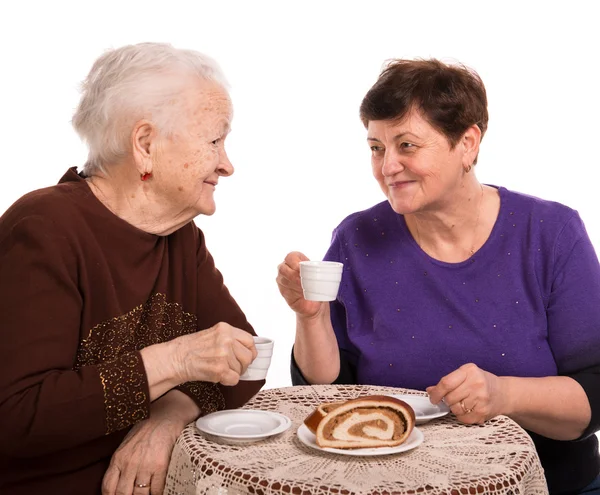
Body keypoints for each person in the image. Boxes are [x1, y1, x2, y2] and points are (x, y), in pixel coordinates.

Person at [276, 59, 600, 494]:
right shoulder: (357, 237)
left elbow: (594, 393)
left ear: (467, 144)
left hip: (544, 484)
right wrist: (311, 318)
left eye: (407, 145)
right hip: (388, 486)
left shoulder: (551, 233)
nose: (387, 166)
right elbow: (328, 395)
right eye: (376, 147)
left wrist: (504, 396)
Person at [0, 42, 264, 495]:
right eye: (214, 140)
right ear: (145, 145)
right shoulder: (45, 228)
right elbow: (17, 417)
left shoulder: (180, 235)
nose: (227, 164)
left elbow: (245, 363)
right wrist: (177, 360)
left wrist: (168, 415)